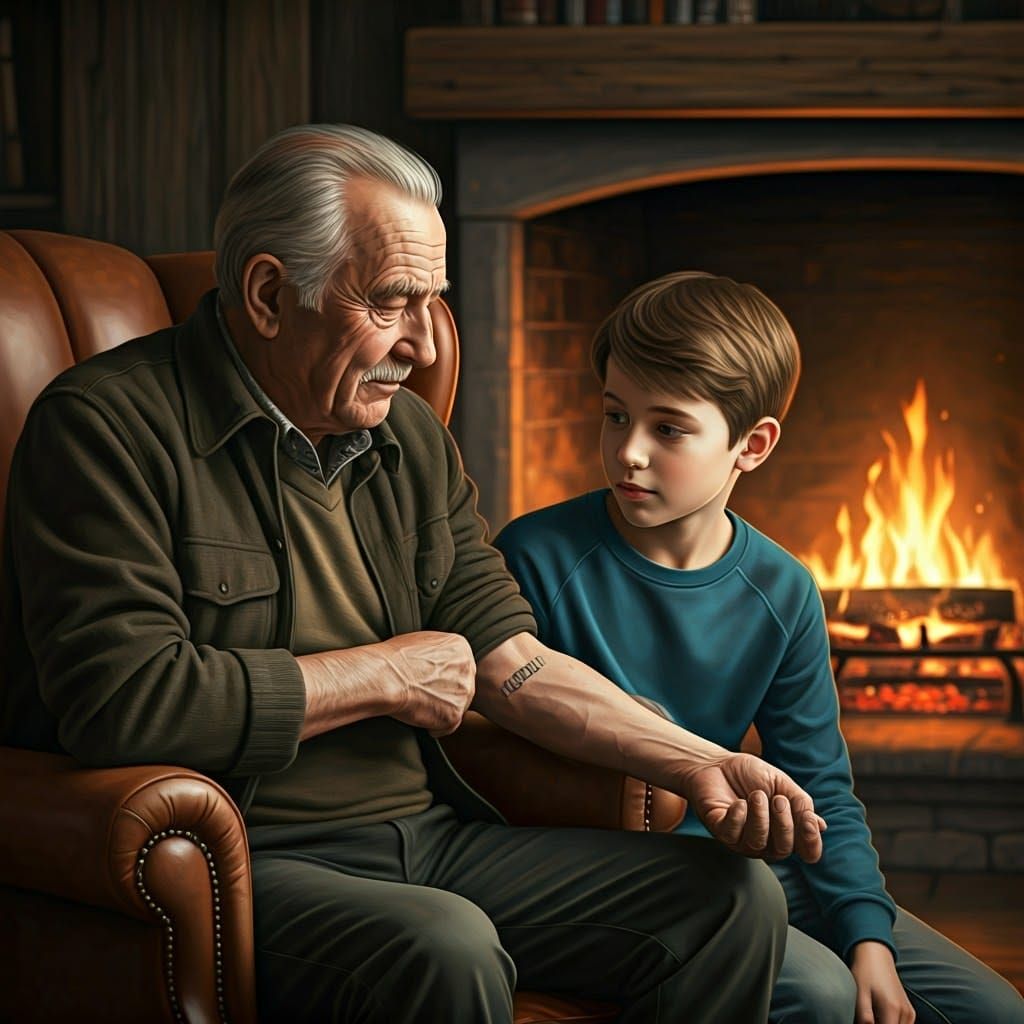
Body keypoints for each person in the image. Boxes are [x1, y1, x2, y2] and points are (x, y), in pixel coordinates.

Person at [1, 125, 832, 1024]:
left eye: (431, 304)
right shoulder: (106, 429)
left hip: (431, 837)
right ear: (271, 293)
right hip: (247, 858)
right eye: (395, 302)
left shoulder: (404, 434)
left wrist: (704, 764)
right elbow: (123, 703)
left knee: (730, 900)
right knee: (445, 944)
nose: (426, 349)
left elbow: (509, 657)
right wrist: (385, 673)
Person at [494, 270, 1024, 1024]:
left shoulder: (784, 590)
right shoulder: (539, 555)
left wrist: (868, 935)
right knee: (821, 995)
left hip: (759, 866)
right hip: (622, 880)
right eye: (616, 416)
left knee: (991, 1011)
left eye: (668, 428)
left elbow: (821, 786)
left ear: (753, 445)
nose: (629, 452)